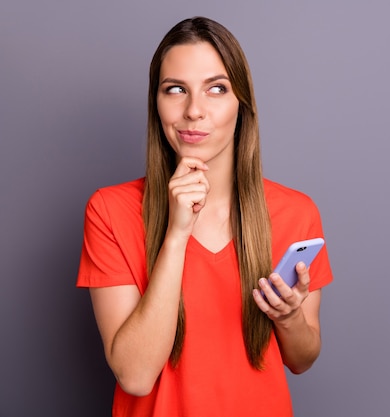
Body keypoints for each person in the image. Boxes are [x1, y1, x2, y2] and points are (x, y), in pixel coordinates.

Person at [76, 16, 333, 417]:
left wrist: (290, 317)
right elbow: (135, 375)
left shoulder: (296, 212)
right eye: (175, 89)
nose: (194, 111)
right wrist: (177, 234)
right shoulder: (110, 211)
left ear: (241, 103)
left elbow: (302, 359)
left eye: (216, 89)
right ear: (156, 103)